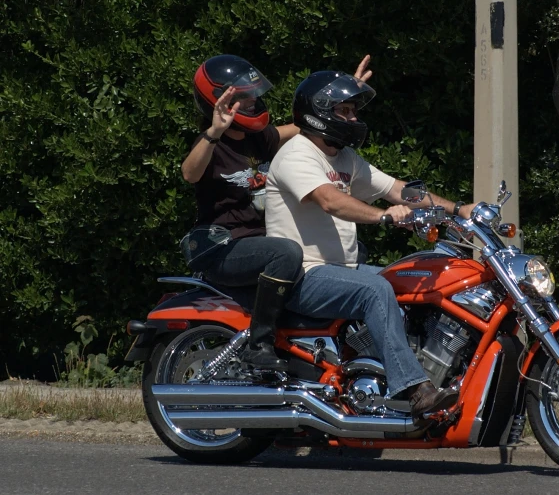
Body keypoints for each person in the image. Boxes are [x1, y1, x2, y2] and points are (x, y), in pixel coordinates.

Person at [264, 71, 477, 420]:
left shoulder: (344, 158)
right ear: (320, 112)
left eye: (354, 112)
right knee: (376, 290)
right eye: (345, 111)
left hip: (340, 270)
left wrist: (457, 210)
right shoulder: (296, 155)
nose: (354, 119)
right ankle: (413, 388)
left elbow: (397, 190)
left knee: (416, 283)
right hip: (303, 275)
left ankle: (424, 370)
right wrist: (385, 218)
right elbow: (329, 200)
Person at [181, 54, 372, 372]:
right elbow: (189, 173)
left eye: (252, 95)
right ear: (217, 101)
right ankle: (260, 344)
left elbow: (307, 124)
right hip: (221, 247)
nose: (251, 102)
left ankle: (330, 346)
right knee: (286, 252)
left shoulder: (260, 139)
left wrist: (343, 101)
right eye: (241, 97)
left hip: (259, 243)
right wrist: (214, 131)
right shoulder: (211, 146)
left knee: (351, 248)